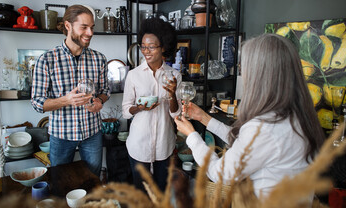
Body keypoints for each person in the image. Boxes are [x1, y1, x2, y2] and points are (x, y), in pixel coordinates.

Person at [174, 33, 325, 199]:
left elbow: (220, 173)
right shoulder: (296, 116)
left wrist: (192, 135)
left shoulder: (265, 127)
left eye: (243, 68)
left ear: (260, 76)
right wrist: (204, 118)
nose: (243, 75)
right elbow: (244, 142)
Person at [31, 5, 109, 176]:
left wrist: (100, 101)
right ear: (68, 26)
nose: (90, 33)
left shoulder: (99, 59)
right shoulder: (47, 60)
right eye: (84, 27)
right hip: (61, 135)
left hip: (92, 132)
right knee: (60, 180)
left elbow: (105, 90)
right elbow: (37, 103)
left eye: (92, 27)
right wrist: (66, 100)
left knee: (93, 178)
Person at [122, 18, 182, 192]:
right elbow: (126, 111)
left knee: (161, 190)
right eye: (143, 46)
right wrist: (140, 107)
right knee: (141, 193)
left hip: (164, 143)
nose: (146, 51)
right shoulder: (133, 75)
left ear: (163, 47)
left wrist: (172, 95)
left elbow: (175, 114)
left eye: (152, 47)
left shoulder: (174, 75)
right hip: (138, 144)